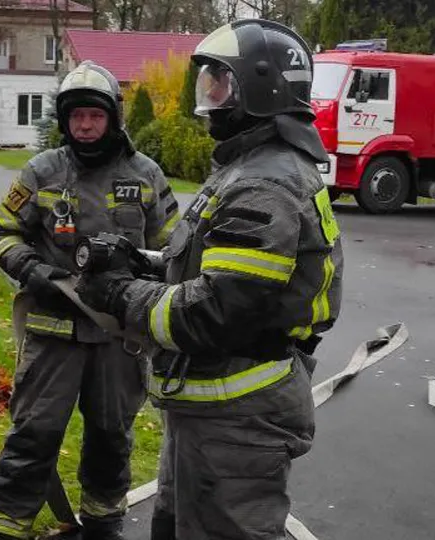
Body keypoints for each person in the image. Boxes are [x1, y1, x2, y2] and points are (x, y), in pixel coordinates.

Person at [77, 19, 344, 540]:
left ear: (259, 87)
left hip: (237, 418)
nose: (208, 96)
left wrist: (118, 292)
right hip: (212, 408)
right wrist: (141, 262)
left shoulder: (265, 182)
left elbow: (215, 312)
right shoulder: (248, 167)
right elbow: (210, 268)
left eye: (218, 82)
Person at [0, 61, 180, 540]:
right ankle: (4, 528)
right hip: (53, 335)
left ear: (113, 117)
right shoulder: (43, 171)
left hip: (119, 338)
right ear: (65, 120)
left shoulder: (146, 175)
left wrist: (137, 271)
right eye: (75, 118)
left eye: (94, 116)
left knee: (112, 437)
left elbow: (175, 254)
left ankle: (104, 523)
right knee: (33, 435)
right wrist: (33, 271)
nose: (84, 127)